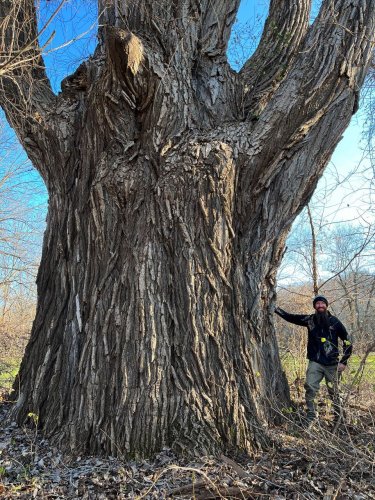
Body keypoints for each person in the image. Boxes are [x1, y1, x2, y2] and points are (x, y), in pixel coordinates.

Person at [275, 295, 352, 426]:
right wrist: (275, 309)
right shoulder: (310, 320)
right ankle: (311, 418)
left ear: (326, 305)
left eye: (322, 303)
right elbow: (290, 317)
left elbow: (347, 341)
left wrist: (343, 361)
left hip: (333, 364)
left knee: (335, 392)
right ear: (315, 306)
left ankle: (340, 421)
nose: (320, 305)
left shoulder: (335, 322)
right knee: (310, 388)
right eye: (317, 304)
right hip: (315, 362)